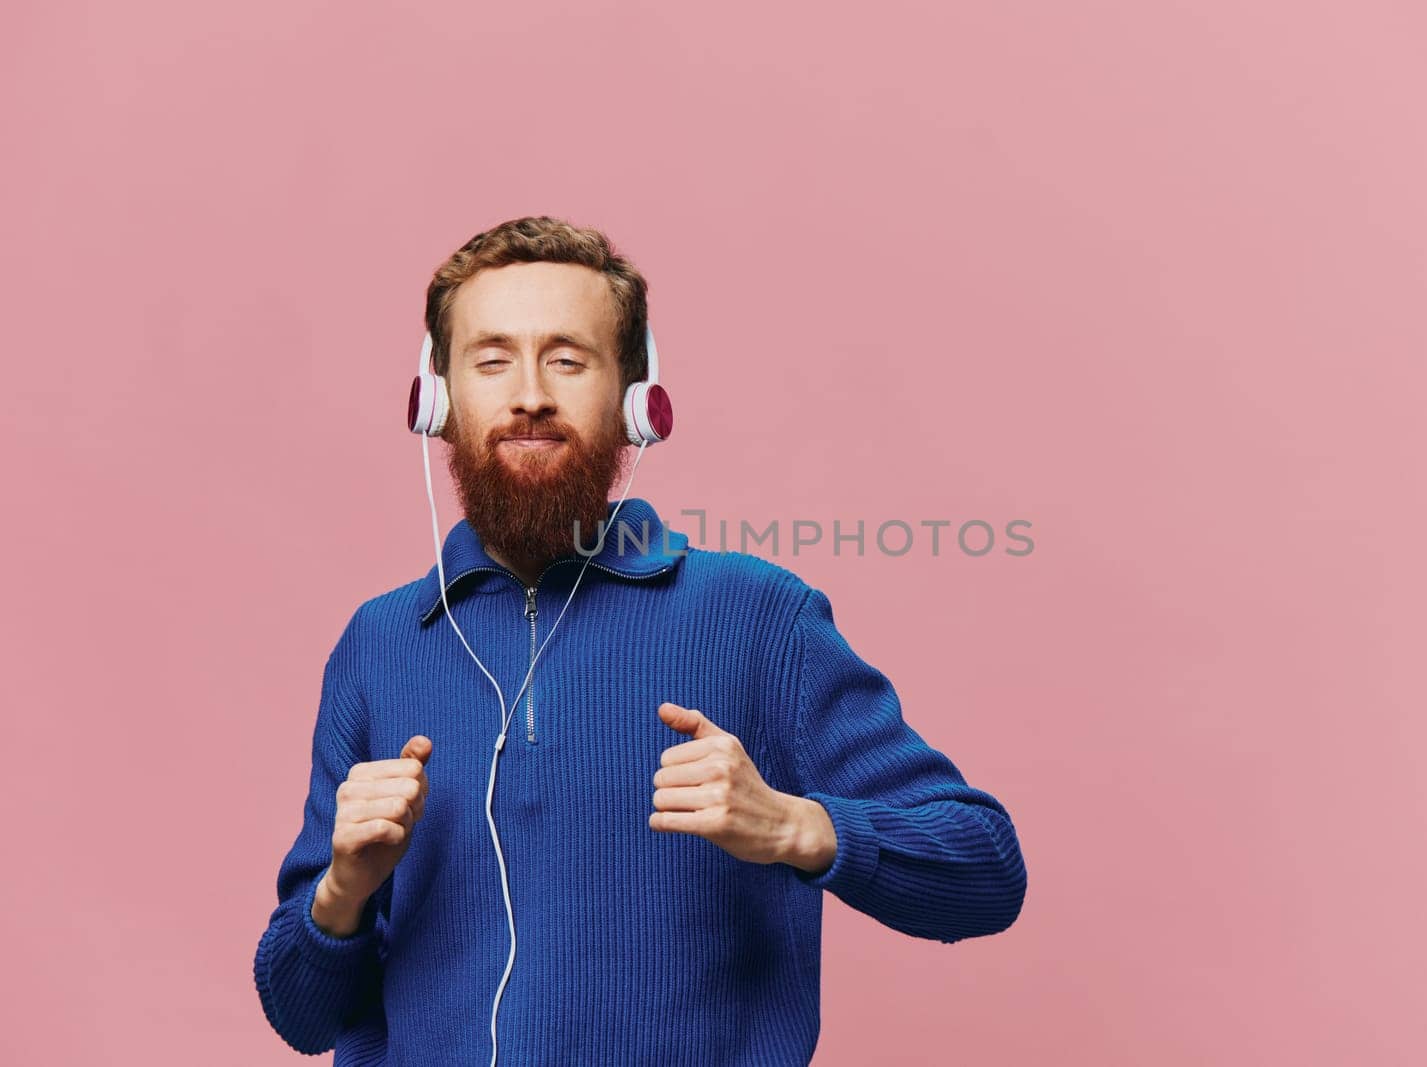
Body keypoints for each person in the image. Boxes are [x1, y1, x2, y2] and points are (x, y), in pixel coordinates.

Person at [252, 216, 1028, 1065]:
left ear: (636, 403)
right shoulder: (378, 643)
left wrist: (797, 827)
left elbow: (986, 871)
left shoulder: (759, 616)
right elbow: (301, 1017)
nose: (530, 393)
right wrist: (343, 890)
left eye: (568, 358)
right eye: (491, 358)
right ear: (436, 401)